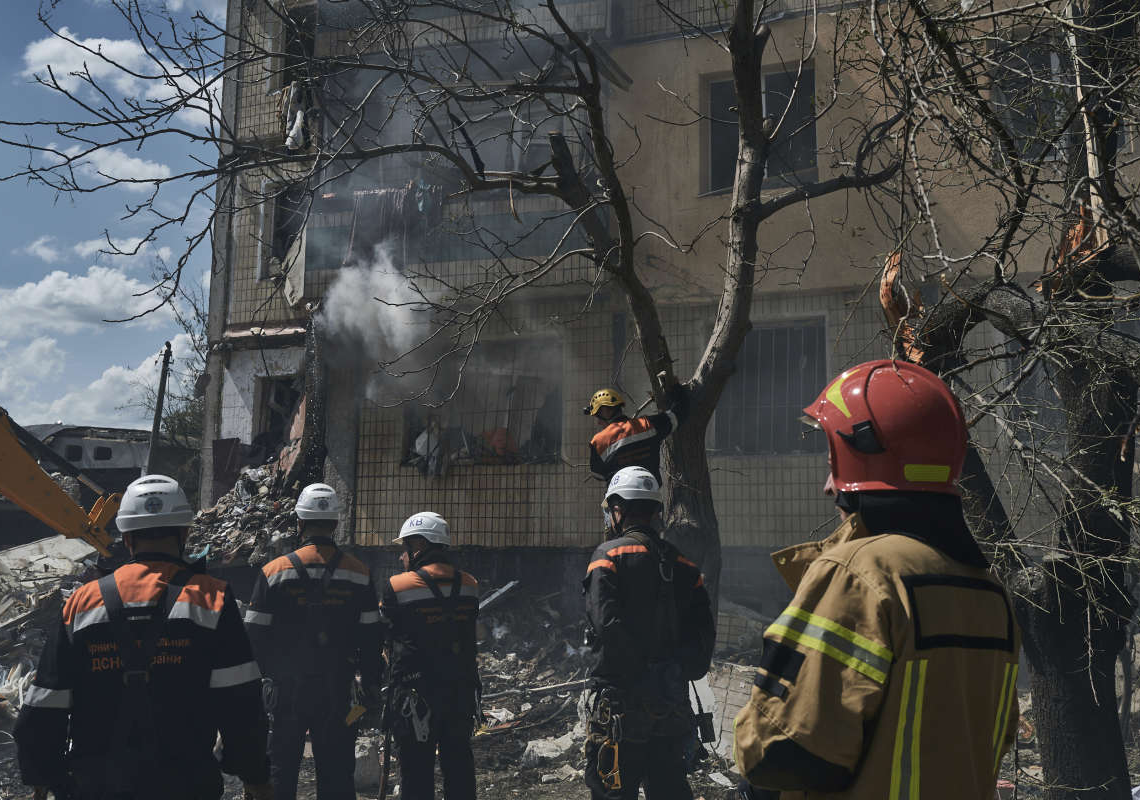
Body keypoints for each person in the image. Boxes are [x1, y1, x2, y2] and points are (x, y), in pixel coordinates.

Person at [734, 360, 1022, 799]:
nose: (828, 485)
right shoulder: (989, 594)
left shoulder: (859, 574)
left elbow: (784, 751)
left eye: (832, 456)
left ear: (862, 454)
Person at [14, 474, 271, 800]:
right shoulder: (213, 598)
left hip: (96, 786)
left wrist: (42, 775)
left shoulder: (82, 602)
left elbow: (44, 704)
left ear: (127, 536)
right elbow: (240, 707)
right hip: (187, 785)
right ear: (185, 533)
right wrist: (255, 776)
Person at [582, 466, 716, 800]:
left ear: (618, 510)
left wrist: (638, 673)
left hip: (621, 707)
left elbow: (605, 624)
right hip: (671, 706)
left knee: (612, 789)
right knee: (669, 788)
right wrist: (673, 673)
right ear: (655, 511)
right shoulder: (684, 565)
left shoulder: (607, 557)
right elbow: (703, 635)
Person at [244, 482, 382, 800]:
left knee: (279, 772)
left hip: (285, 692)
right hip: (339, 693)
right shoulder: (359, 573)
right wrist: (371, 686)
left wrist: (258, 690)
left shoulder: (273, 572)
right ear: (335, 524)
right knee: (336, 776)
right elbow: (373, 638)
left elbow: (254, 639)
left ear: (300, 522)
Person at [380, 512, 479, 800]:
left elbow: (387, 635)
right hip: (460, 693)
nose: (402, 557)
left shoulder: (398, 586)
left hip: (416, 696)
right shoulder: (470, 584)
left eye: (405, 549)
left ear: (419, 545)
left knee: (415, 770)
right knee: (459, 765)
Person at [585, 384, 689, 483]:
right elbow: (679, 413)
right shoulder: (647, 424)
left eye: (598, 416)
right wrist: (676, 389)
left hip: (618, 498)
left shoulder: (598, 441)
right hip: (650, 494)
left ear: (606, 411)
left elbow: (598, 474)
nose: (598, 422)